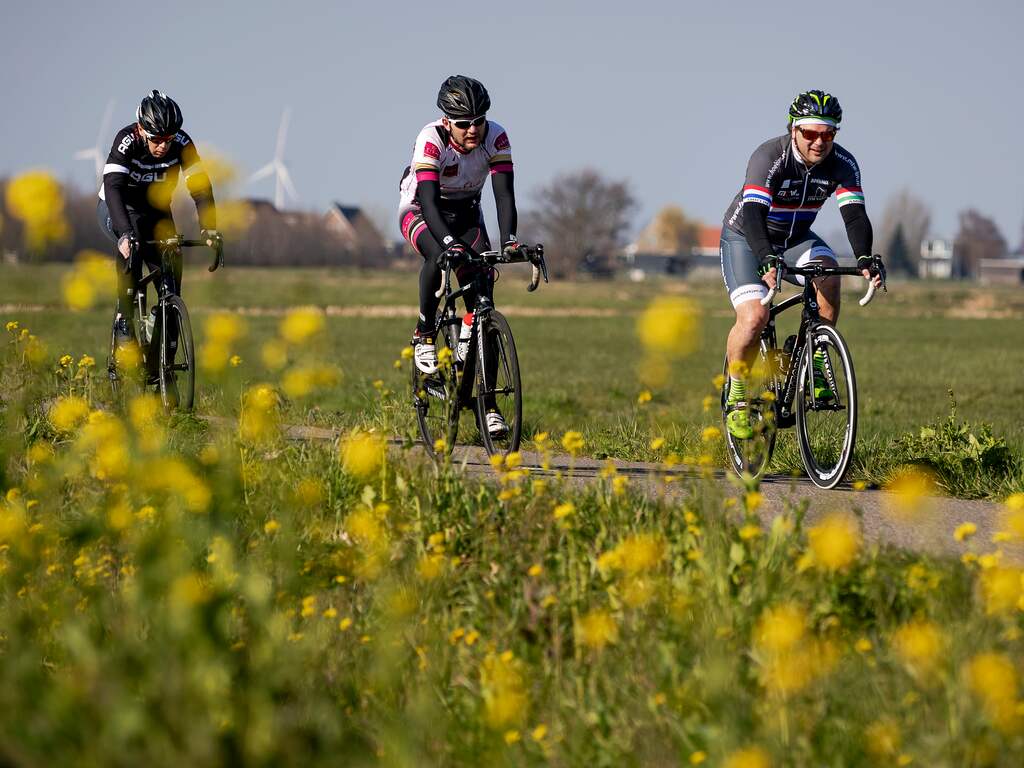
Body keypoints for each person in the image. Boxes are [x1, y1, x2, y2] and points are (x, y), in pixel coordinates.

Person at [720, 89, 885, 439]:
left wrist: (865, 258)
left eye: (827, 134)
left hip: (795, 238)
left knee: (828, 273)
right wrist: (766, 257)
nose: (819, 142)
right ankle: (736, 396)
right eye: (810, 133)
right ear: (793, 129)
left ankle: (818, 356)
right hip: (747, 238)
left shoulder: (843, 163)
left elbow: (854, 215)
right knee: (754, 318)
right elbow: (752, 214)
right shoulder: (770, 156)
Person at [398, 75, 523, 436]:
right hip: (423, 209)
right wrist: (450, 243)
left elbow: (503, 195)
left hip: (468, 213)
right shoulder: (431, 139)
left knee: (483, 300)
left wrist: (510, 240)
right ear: (447, 122)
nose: (473, 129)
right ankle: (424, 335)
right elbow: (430, 203)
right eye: (464, 123)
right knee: (438, 256)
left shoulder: (496, 137)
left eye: (479, 121)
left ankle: (489, 407)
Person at [96, 90, 220, 369]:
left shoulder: (181, 142)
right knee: (134, 243)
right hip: (119, 207)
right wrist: (125, 234)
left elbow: (200, 187)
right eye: (156, 139)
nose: (164, 145)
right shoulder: (126, 141)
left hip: (157, 209)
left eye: (168, 138)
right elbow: (114, 187)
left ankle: (164, 361)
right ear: (141, 129)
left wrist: (209, 230)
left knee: (171, 268)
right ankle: (124, 320)